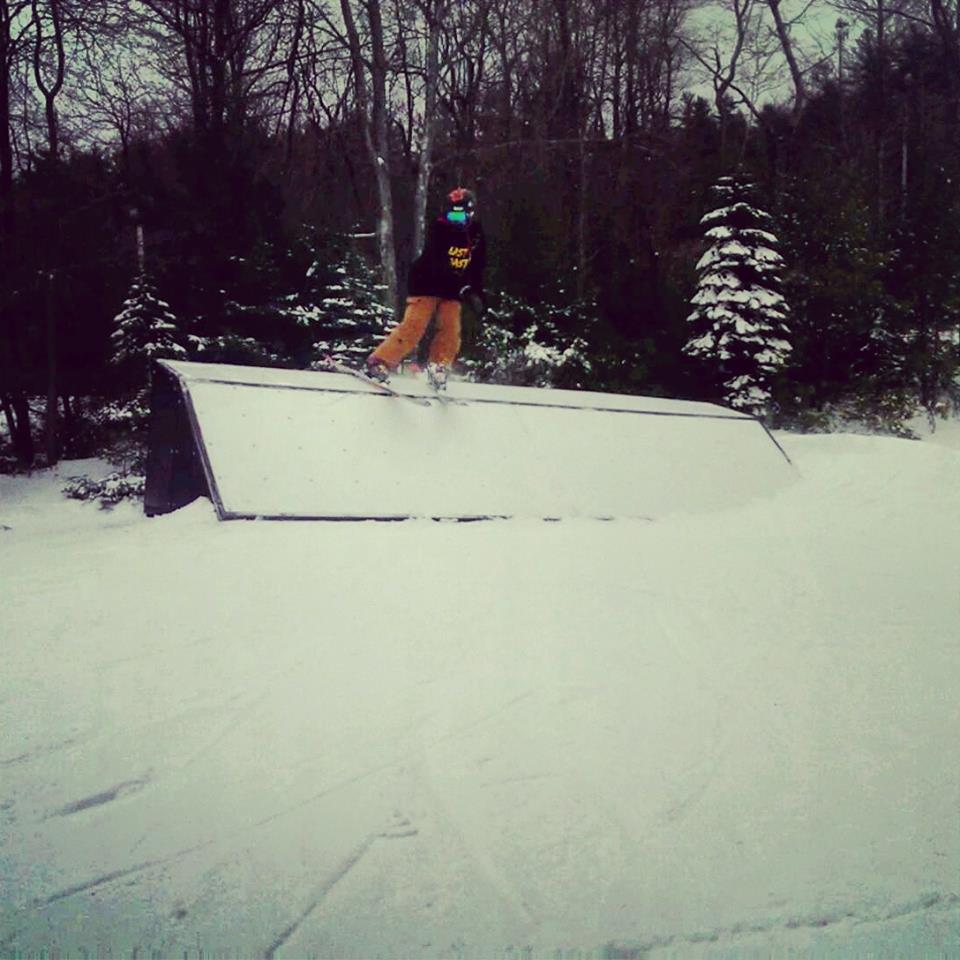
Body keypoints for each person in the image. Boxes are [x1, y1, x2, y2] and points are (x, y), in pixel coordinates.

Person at [366, 186, 486, 390]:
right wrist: (463, 287)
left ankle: (438, 366)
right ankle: (380, 361)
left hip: (452, 289)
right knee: (414, 326)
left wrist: (475, 292)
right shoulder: (439, 229)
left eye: (461, 217)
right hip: (426, 282)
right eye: (452, 216)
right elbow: (437, 262)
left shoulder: (475, 235)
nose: (456, 222)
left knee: (451, 328)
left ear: (470, 214)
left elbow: (476, 266)